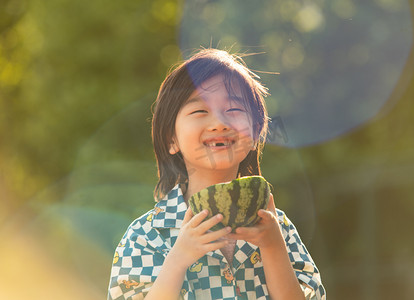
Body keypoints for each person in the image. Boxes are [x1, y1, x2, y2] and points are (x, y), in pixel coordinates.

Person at [107, 48, 326, 300]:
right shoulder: (146, 236)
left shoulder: (277, 228)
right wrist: (177, 262)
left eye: (233, 110)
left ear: (255, 135)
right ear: (171, 138)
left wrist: (273, 247)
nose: (219, 123)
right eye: (200, 111)